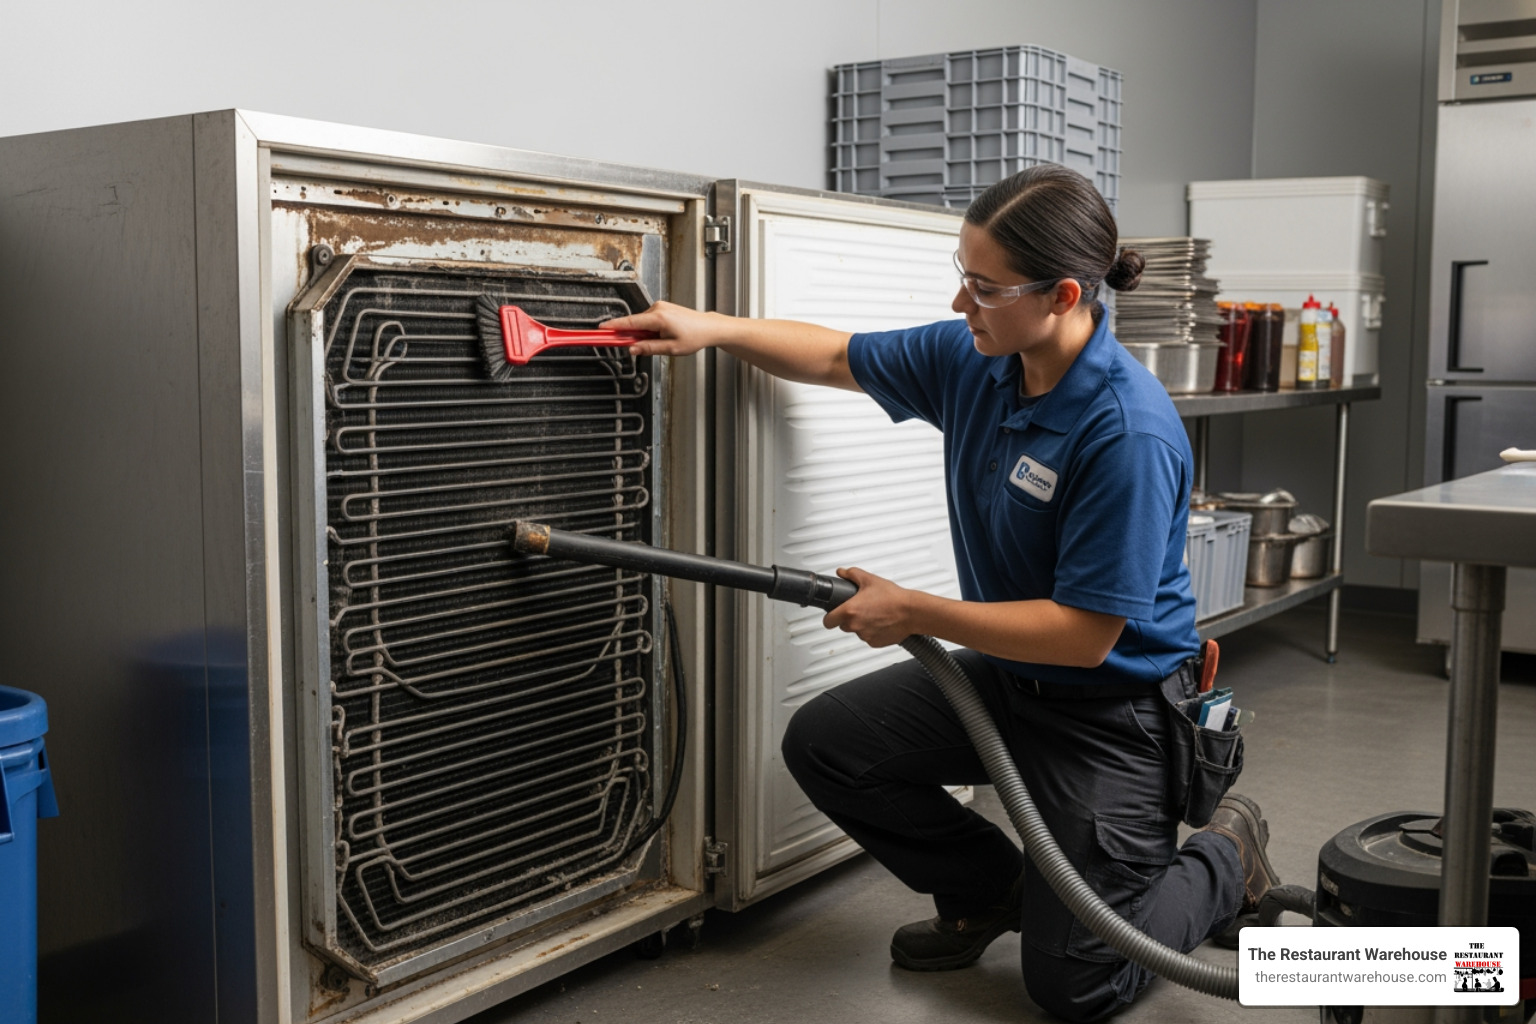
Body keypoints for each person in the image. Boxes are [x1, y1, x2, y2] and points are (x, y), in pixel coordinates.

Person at [605, 164, 1279, 1022]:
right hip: (1013, 683)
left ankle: (1226, 856)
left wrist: (913, 611)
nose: (963, 303)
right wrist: (710, 328)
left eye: (986, 288)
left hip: (1113, 713)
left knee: (1080, 985)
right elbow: (838, 356)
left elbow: (1085, 636)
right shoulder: (981, 360)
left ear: (1064, 295)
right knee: (829, 744)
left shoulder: (1125, 431)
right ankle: (994, 892)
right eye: (964, 275)